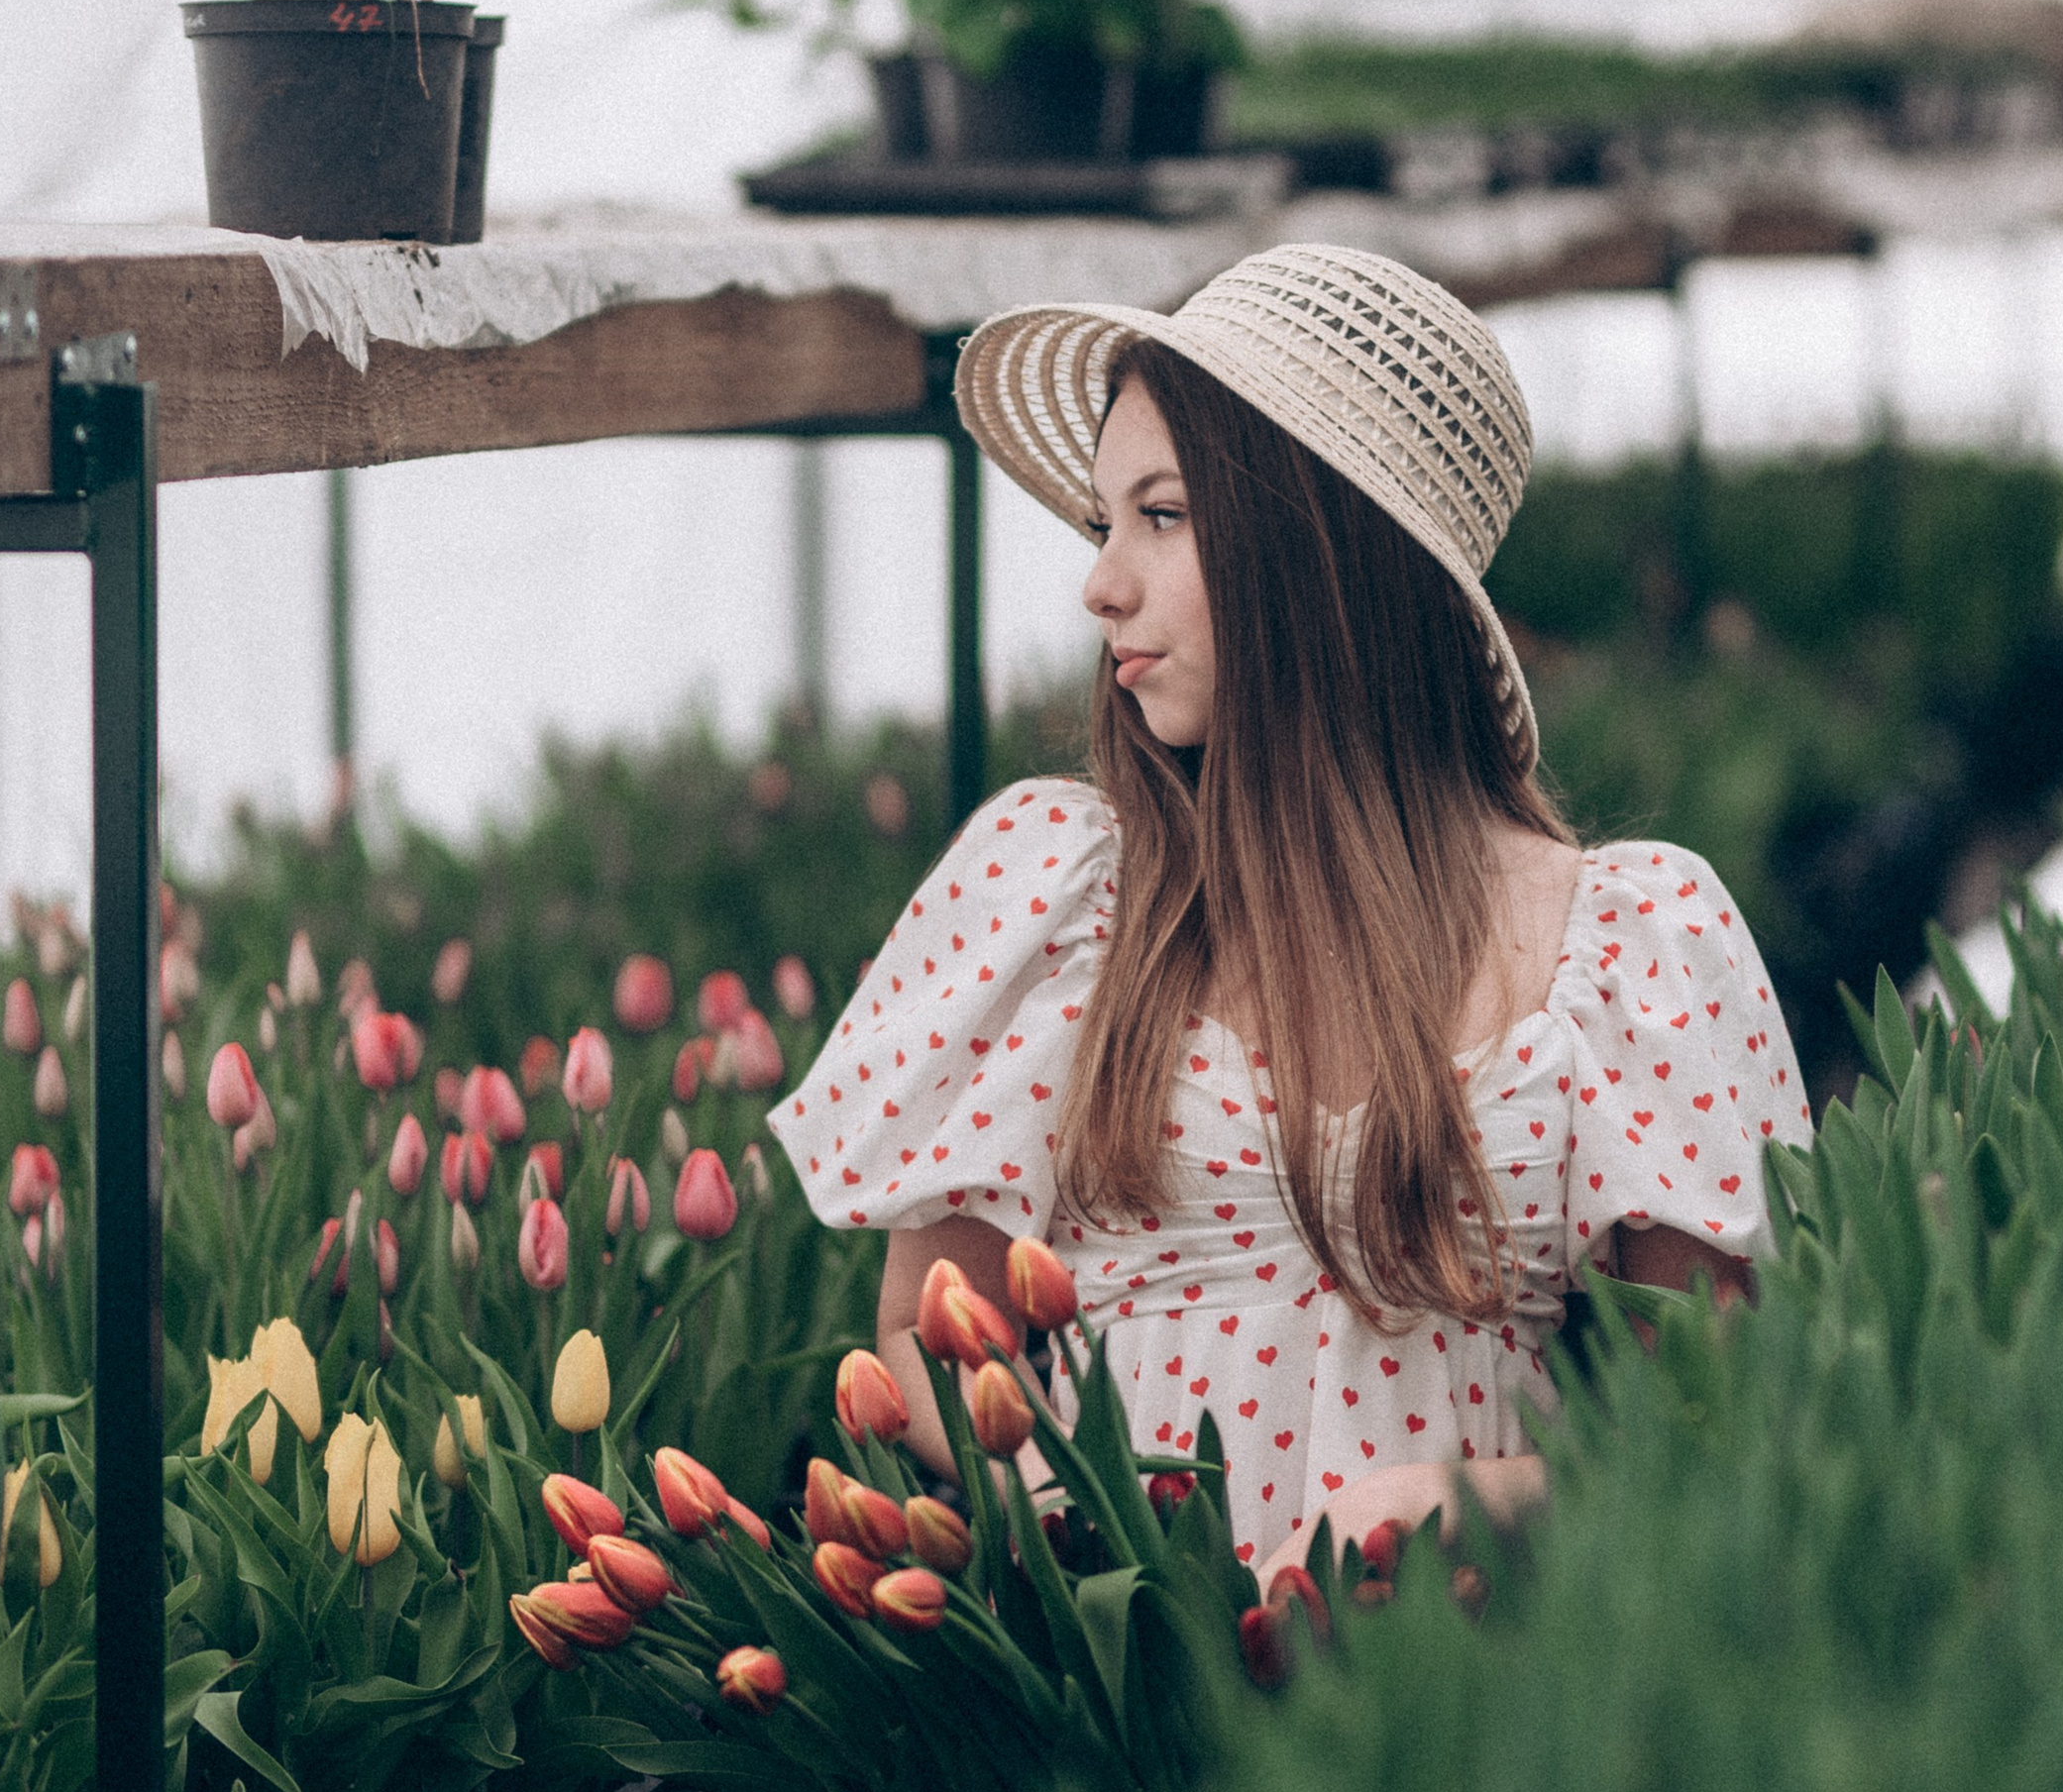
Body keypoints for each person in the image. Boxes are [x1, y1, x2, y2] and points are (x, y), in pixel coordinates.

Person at [769, 244, 1810, 1591]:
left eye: (1164, 516)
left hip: (1444, 1677)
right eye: (1103, 526)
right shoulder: (1067, 891)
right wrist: (1079, 1526)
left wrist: (1460, 1498)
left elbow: (1713, 1411)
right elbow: (924, 1323)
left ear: (1326, 555)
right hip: (1117, 1687)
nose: (1101, 586)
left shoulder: (1623, 939)